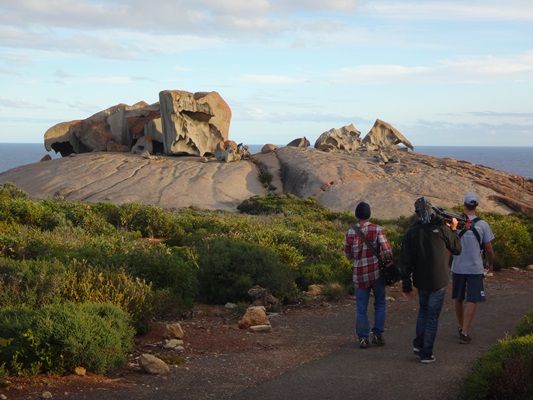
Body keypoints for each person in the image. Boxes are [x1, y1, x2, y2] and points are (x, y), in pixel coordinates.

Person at [399, 197, 462, 363]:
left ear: (416, 213)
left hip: (421, 280)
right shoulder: (441, 228)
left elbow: (405, 261)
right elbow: (457, 249)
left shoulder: (411, 233)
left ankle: (419, 345)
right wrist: (454, 229)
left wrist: (406, 285)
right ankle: (426, 353)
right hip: (439, 279)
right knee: (432, 316)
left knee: (423, 311)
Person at [344, 201, 393, 349]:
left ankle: (363, 337)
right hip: (377, 273)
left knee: (361, 308)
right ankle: (377, 334)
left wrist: (358, 258)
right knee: (380, 304)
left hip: (359, 275)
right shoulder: (377, 229)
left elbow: (348, 254)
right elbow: (386, 252)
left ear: (356, 215)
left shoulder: (350, 232)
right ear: (369, 214)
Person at [451, 192, 495, 344]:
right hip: (475, 267)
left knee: (458, 297)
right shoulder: (483, 225)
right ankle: (465, 330)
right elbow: (489, 248)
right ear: (476, 206)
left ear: (464, 205)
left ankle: (460, 326)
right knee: (472, 298)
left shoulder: (455, 223)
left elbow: (449, 243)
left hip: (457, 266)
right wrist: (491, 264)